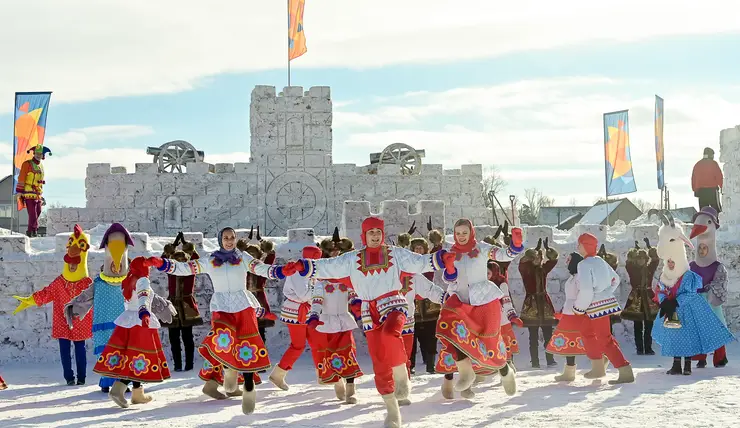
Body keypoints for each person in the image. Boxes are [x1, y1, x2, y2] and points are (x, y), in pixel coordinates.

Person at [291, 216, 455, 428]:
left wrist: (441, 258)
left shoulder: (395, 254)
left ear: (383, 234)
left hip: (393, 302)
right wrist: (305, 266)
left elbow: (419, 261)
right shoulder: (353, 259)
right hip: (369, 309)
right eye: (371, 233)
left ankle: (402, 375)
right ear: (364, 236)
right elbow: (330, 266)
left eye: (378, 232)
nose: (375, 236)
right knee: (379, 360)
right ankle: (392, 409)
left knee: (390, 334)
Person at [148, 227, 290, 415]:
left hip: (243, 305)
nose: (229, 241)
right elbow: (186, 268)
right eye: (226, 238)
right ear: (220, 240)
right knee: (223, 340)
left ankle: (249, 388)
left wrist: (284, 270)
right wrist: (162, 264)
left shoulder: (243, 258)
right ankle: (229, 371)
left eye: (232, 238)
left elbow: (263, 270)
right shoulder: (210, 260)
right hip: (221, 307)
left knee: (247, 345)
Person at [435, 219, 523, 399]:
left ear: (471, 232)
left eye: (464, 232)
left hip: (484, 299)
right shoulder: (450, 252)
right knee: (453, 332)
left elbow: (503, 254)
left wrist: (516, 244)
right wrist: (450, 268)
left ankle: (506, 372)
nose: (461, 236)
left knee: (488, 343)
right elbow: (449, 279)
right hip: (461, 298)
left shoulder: (482, 248)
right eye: (457, 233)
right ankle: (466, 373)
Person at [648, 210, 734, 375]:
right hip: (682, 307)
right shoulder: (687, 268)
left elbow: (695, 289)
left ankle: (716, 357)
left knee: (713, 326)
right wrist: (665, 300)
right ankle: (691, 360)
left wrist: (710, 294)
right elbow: (662, 288)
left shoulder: (711, 269)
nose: (702, 250)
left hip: (700, 303)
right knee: (677, 335)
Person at [12, 224, 93, 385]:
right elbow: (46, 293)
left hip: (80, 320)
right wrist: (30, 300)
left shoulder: (87, 283)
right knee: (64, 349)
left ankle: (82, 377)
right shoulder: (59, 282)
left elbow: (97, 297)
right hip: (62, 319)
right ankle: (69, 378)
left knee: (79, 348)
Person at [93, 257, 174, 408]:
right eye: (147, 267)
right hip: (140, 322)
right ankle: (118, 389)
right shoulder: (143, 280)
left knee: (133, 357)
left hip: (128, 320)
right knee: (138, 358)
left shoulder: (128, 279)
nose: (149, 270)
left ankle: (137, 393)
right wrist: (144, 313)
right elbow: (143, 297)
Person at [573, 233, 633, 384]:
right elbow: (615, 279)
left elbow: (586, 290)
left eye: (579, 244)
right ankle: (598, 366)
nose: (577, 247)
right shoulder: (600, 261)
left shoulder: (583, 265)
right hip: (600, 305)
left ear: (585, 246)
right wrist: (605, 293)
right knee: (586, 332)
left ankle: (624, 369)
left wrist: (579, 308)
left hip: (593, 306)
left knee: (604, 338)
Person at [269, 246, 325, 390]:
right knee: (298, 345)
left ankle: (323, 374)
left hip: (307, 311)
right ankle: (278, 374)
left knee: (317, 343)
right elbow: (304, 295)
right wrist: (318, 291)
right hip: (296, 312)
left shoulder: (310, 271)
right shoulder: (298, 272)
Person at [689, 207, 729, 368]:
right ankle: (700, 356)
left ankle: (720, 357)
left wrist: (711, 290)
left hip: (710, 302)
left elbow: (720, 286)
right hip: (696, 301)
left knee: (717, 327)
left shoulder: (718, 267)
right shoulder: (692, 265)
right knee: (697, 329)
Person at [160, 233, 203, 372]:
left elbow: (195, 258)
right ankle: (177, 365)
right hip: (173, 304)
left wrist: (186, 244)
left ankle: (189, 364)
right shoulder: (170, 271)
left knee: (187, 337)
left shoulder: (190, 270)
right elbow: (162, 260)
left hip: (187, 305)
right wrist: (173, 245)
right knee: (173, 337)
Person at [518, 237, 559, 368]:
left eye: (540, 258)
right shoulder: (526, 270)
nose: (538, 259)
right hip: (531, 305)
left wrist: (548, 250)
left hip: (544, 304)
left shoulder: (543, 269)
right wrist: (533, 252)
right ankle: (535, 362)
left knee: (548, 334)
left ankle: (550, 359)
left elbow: (553, 260)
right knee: (533, 337)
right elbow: (522, 263)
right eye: (535, 258)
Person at [547, 253, 586, 381]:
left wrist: (579, 309)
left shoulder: (580, 277)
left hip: (576, 313)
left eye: (569, 260)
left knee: (583, 339)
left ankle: (601, 361)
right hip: (569, 313)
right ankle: (569, 372)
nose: (567, 262)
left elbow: (582, 294)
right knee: (569, 342)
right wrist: (563, 311)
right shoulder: (572, 277)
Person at [622, 239, 660, 355]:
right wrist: (635, 250)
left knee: (649, 325)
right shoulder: (632, 269)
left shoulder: (650, 269)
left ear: (646, 259)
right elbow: (628, 262)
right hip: (636, 299)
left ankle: (648, 348)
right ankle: (639, 348)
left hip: (648, 298)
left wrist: (649, 247)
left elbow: (656, 259)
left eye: (643, 258)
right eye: (638, 258)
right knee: (637, 325)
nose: (641, 260)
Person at [15, 144, 51, 237]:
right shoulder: (27, 164)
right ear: (34, 153)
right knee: (32, 213)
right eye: (37, 153)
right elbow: (22, 177)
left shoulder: (41, 166)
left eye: (40, 154)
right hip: (28, 191)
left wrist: (41, 194)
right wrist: (19, 191)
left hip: (38, 193)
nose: (39, 155)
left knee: (38, 211)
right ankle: (34, 231)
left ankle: (30, 230)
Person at [691, 147, 723, 212]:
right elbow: (719, 176)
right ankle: (718, 222)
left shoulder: (697, 164)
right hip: (712, 191)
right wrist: (723, 187)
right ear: (710, 155)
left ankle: (704, 222)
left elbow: (693, 178)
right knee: (717, 210)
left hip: (701, 191)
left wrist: (695, 189)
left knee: (704, 211)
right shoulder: (713, 163)